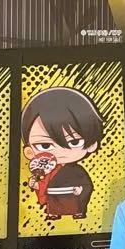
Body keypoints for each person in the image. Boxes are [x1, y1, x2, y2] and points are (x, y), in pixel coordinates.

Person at [21, 87, 104, 220]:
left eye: (74, 142)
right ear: (29, 151)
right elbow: (43, 185)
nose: (60, 151)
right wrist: (36, 185)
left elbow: (86, 185)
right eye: (45, 145)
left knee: (73, 206)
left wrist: (81, 190)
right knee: (54, 206)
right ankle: (53, 213)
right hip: (54, 197)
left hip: (71, 197)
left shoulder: (76, 170)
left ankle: (78, 212)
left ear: (92, 145)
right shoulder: (45, 170)